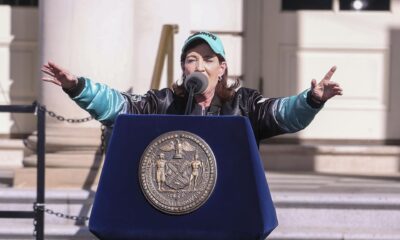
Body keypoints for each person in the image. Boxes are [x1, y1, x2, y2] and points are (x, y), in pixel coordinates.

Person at [41, 31, 343, 144]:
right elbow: (121, 106)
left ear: (221, 68)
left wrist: (311, 100)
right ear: (183, 68)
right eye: (191, 59)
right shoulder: (162, 102)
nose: (198, 66)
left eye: (208, 59)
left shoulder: (246, 104)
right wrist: (77, 86)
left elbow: (282, 113)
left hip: (226, 204)